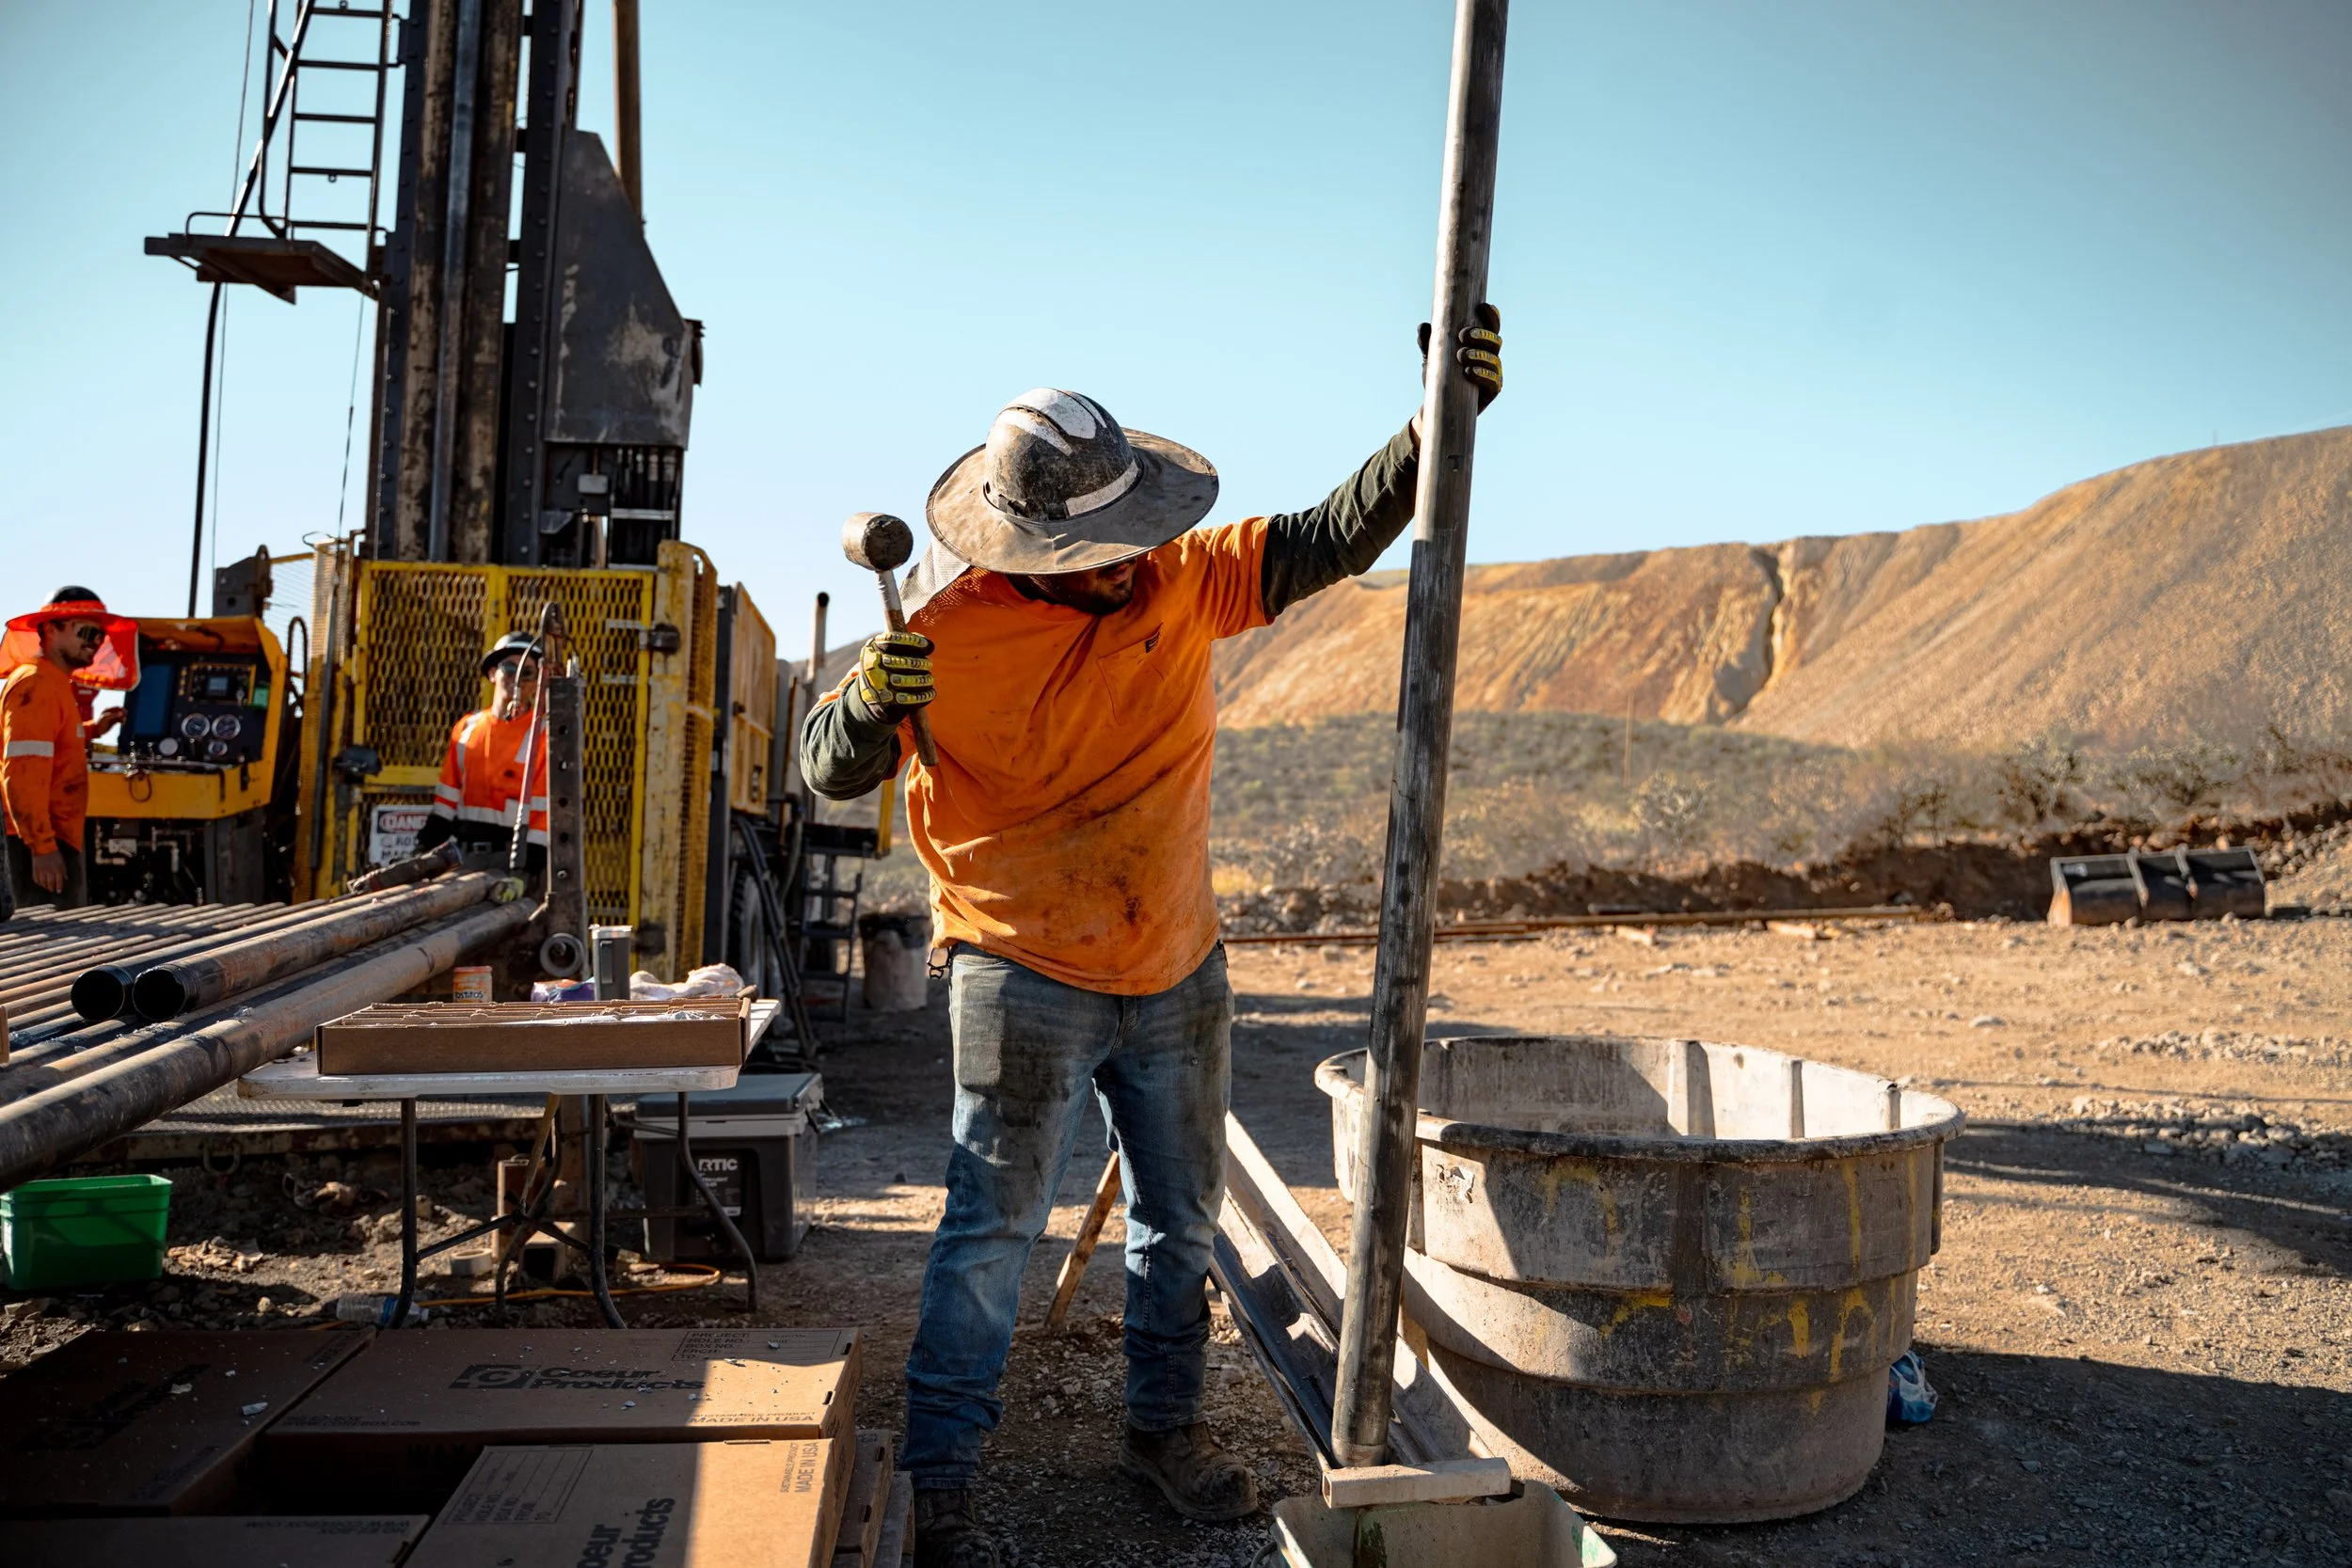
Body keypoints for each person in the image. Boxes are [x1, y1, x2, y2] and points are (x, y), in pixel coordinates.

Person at [800, 309, 1502, 1568]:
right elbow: (827, 768)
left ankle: (1161, 1429)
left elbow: (1330, 536)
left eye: (1134, 532)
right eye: (1099, 546)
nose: (1130, 559)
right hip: (1019, 975)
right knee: (988, 1229)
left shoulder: (1183, 579)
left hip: (1178, 963)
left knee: (1180, 1220)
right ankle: (942, 1472)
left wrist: (1431, 427)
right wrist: (860, 708)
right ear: (1031, 546)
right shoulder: (940, 639)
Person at [2, 587, 138, 912]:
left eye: (101, 636)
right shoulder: (37, 684)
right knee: (46, 950)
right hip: (34, 845)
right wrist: (42, 848)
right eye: (87, 631)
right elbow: (21, 774)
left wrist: (93, 731)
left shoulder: (53, 683)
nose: (96, 641)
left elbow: (50, 744)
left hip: (49, 837)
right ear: (51, 629)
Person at [413, 631, 550, 869]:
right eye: (509, 668)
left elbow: (543, 812)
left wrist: (528, 871)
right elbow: (447, 800)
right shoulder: (467, 728)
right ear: (492, 674)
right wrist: (424, 848)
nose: (517, 679)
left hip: (515, 861)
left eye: (526, 672)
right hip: (464, 859)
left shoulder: (545, 733)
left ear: (537, 681)